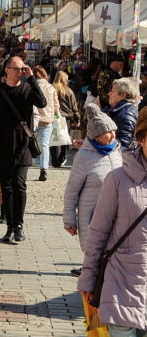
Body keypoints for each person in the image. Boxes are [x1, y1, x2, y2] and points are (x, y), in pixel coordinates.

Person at [78, 108, 147, 337]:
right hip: (122, 282)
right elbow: (98, 232)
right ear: (142, 138)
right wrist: (88, 277)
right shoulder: (118, 179)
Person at [0, 56, 47, 243]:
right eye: (16, 68)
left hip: (22, 144)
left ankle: (19, 225)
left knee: (19, 185)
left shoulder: (27, 89)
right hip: (1, 145)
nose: (19, 72)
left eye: (22, 68)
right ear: (6, 70)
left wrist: (32, 78)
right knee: (6, 188)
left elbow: (42, 103)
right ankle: (9, 226)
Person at [63, 104, 122, 277]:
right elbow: (71, 191)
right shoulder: (83, 157)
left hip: (115, 216)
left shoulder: (117, 151)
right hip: (91, 217)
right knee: (95, 260)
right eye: (108, 132)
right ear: (96, 136)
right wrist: (69, 220)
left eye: (113, 130)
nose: (112, 135)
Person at [32, 66, 60, 181]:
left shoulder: (32, 86)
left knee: (28, 143)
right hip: (47, 120)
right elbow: (56, 105)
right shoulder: (51, 87)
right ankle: (43, 170)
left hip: (33, 119)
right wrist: (57, 117)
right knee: (44, 145)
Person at [50, 71, 80, 167]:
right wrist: (77, 119)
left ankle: (55, 160)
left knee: (54, 138)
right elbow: (74, 107)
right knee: (64, 138)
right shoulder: (69, 91)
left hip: (53, 116)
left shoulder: (51, 88)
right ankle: (62, 158)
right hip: (66, 118)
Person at [103, 78, 139, 150]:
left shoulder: (125, 116)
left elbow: (122, 148)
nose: (109, 93)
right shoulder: (117, 111)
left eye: (113, 91)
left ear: (122, 95)